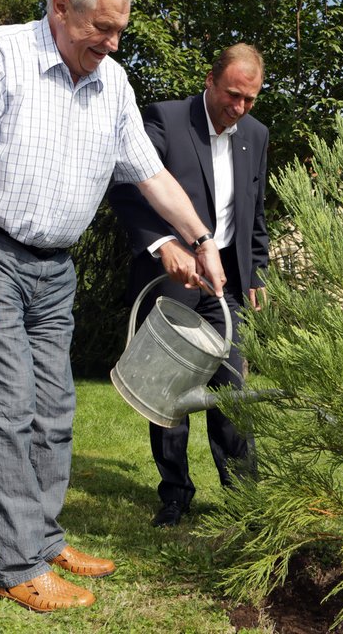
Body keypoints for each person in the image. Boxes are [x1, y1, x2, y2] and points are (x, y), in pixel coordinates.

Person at [0, 0, 227, 613]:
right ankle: (16, 565)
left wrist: (201, 238)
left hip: (53, 268)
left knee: (56, 410)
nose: (113, 43)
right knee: (6, 409)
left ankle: (44, 536)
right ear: (60, 8)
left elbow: (150, 176)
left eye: (121, 30)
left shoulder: (113, 83)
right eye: (103, 27)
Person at [108, 43, 268, 528]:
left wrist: (256, 269)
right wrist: (162, 243)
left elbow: (254, 212)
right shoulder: (164, 119)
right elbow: (124, 185)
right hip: (172, 276)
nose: (239, 109)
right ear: (209, 80)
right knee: (168, 390)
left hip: (227, 286)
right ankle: (175, 494)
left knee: (232, 389)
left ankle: (244, 496)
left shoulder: (255, 136)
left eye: (250, 100)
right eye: (232, 95)